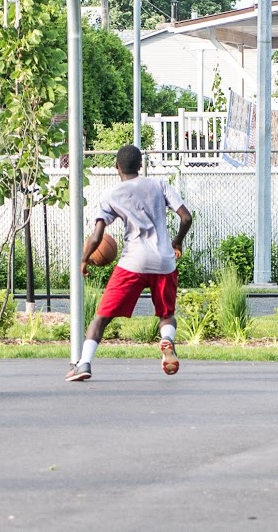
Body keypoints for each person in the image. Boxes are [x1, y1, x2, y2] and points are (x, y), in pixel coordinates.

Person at [66, 144, 193, 382]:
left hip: (133, 262)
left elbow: (97, 236)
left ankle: (84, 364)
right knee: (166, 314)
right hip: (164, 261)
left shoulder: (112, 195)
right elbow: (186, 217)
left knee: (101, 317)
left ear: (117, 168)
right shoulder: (159, 185)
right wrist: (177, 242)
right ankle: (168, 340)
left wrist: (84, 259)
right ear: (140, 166)